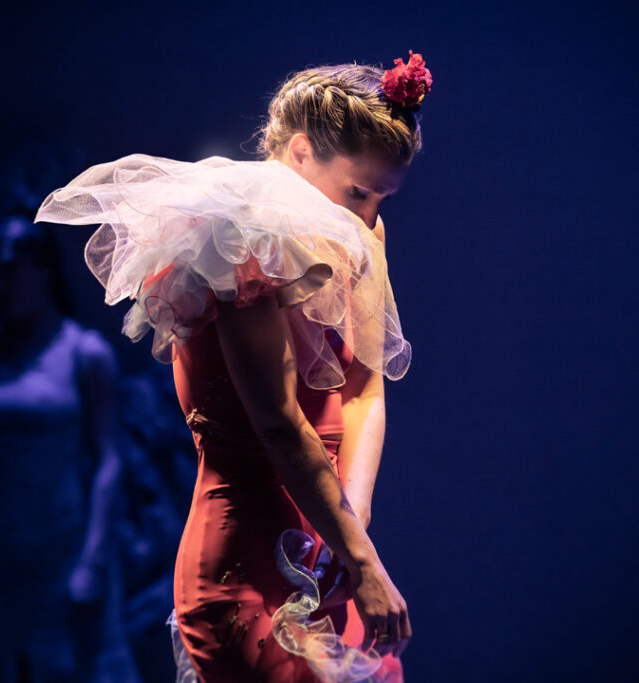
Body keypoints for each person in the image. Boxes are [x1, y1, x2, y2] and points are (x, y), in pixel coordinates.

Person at [36, 51, 432, 682]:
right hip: (245, 556)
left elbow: (364, 389)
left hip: (331, 542)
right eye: (358, 191)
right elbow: (278, 423)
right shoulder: (236, 237)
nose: (367, 217)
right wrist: (361, 560)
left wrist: (352, 534)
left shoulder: (361, 233)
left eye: (383, 199)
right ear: (300, 152)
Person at [0, 216, 139, 683]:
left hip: (63, 541)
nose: (4, 282)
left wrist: (93, 558)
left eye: (13, 268)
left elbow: (108, 458)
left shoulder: (83, 353)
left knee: (73, 668)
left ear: (43, 271)